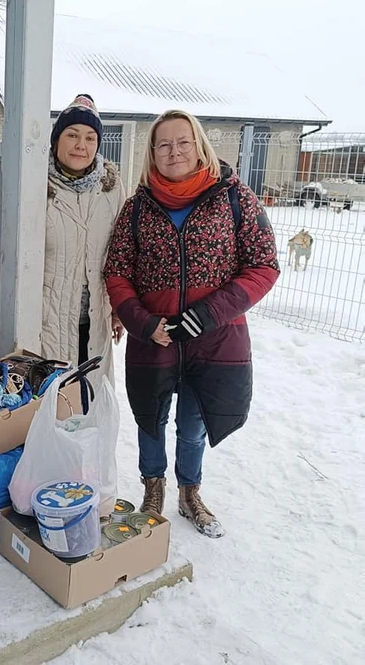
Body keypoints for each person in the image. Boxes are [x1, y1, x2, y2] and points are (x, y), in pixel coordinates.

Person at [103, 109, 279, 537]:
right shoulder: (137, 208)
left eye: (183, 142)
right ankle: (153, 488)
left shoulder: (235, 197)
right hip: (155, 340)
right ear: (152, 153)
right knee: (151, 418)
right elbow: (118, 272)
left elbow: (264, 266)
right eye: (164, 144)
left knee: (195, 421)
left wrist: (207, 314)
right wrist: (144, 324)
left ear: (199, 145)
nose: (174, 151)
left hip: (215, 340)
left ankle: (189, 490)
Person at [41, 94, 126, 387]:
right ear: (56, 141)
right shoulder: (36, 184)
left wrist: (119, 307)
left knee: (91, 399)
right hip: (48, 317)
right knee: (53, 398)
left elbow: (120, 251)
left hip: (95, 316)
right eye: (72, 135)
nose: (81, 145)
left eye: (91, 138)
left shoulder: (111, 188)